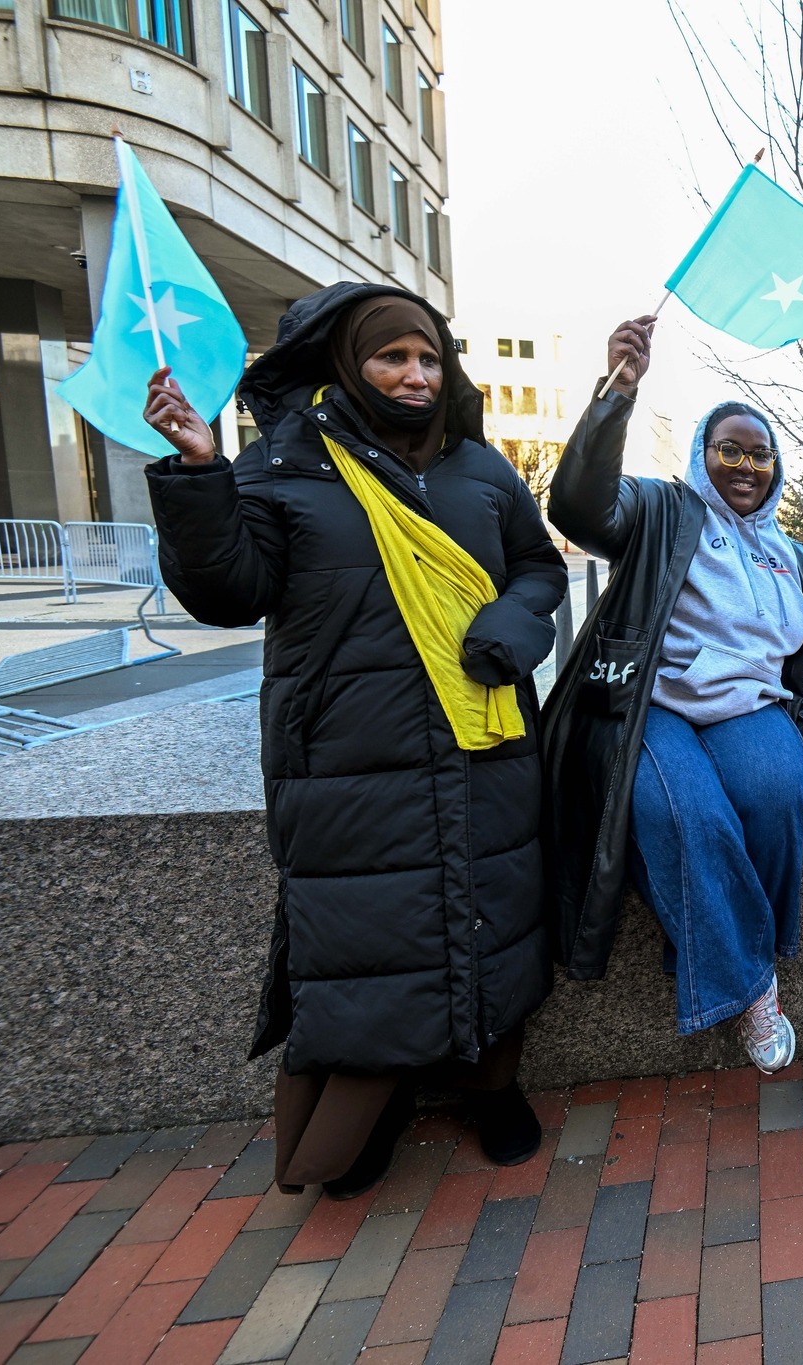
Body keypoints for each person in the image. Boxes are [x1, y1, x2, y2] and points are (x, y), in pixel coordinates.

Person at [142, 283, 563, 1197]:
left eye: (428, 359)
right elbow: (228, 591)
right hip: (346, 757)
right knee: (364, 937)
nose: (415, 376)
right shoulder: (285, 464)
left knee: (491, 915)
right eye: (391, 358)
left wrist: (514, 624)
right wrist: (200, 475)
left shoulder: (481, 470)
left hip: (483, 740)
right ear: (347, 364)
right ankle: (371, 1104)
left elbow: (538, 566)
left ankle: (495, 1089)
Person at [541, 315, 803, 1074]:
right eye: (728, 449)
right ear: (703, 456)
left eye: (759, 453)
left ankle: (717, 944)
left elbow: (796, 658)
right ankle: (753, 985)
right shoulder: (665, 511)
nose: (744, 464)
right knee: (685, 811)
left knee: (777, 794)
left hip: (749, 707)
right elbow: (576, 508)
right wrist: (616, 396)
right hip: (653, 705)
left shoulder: (790, 552)